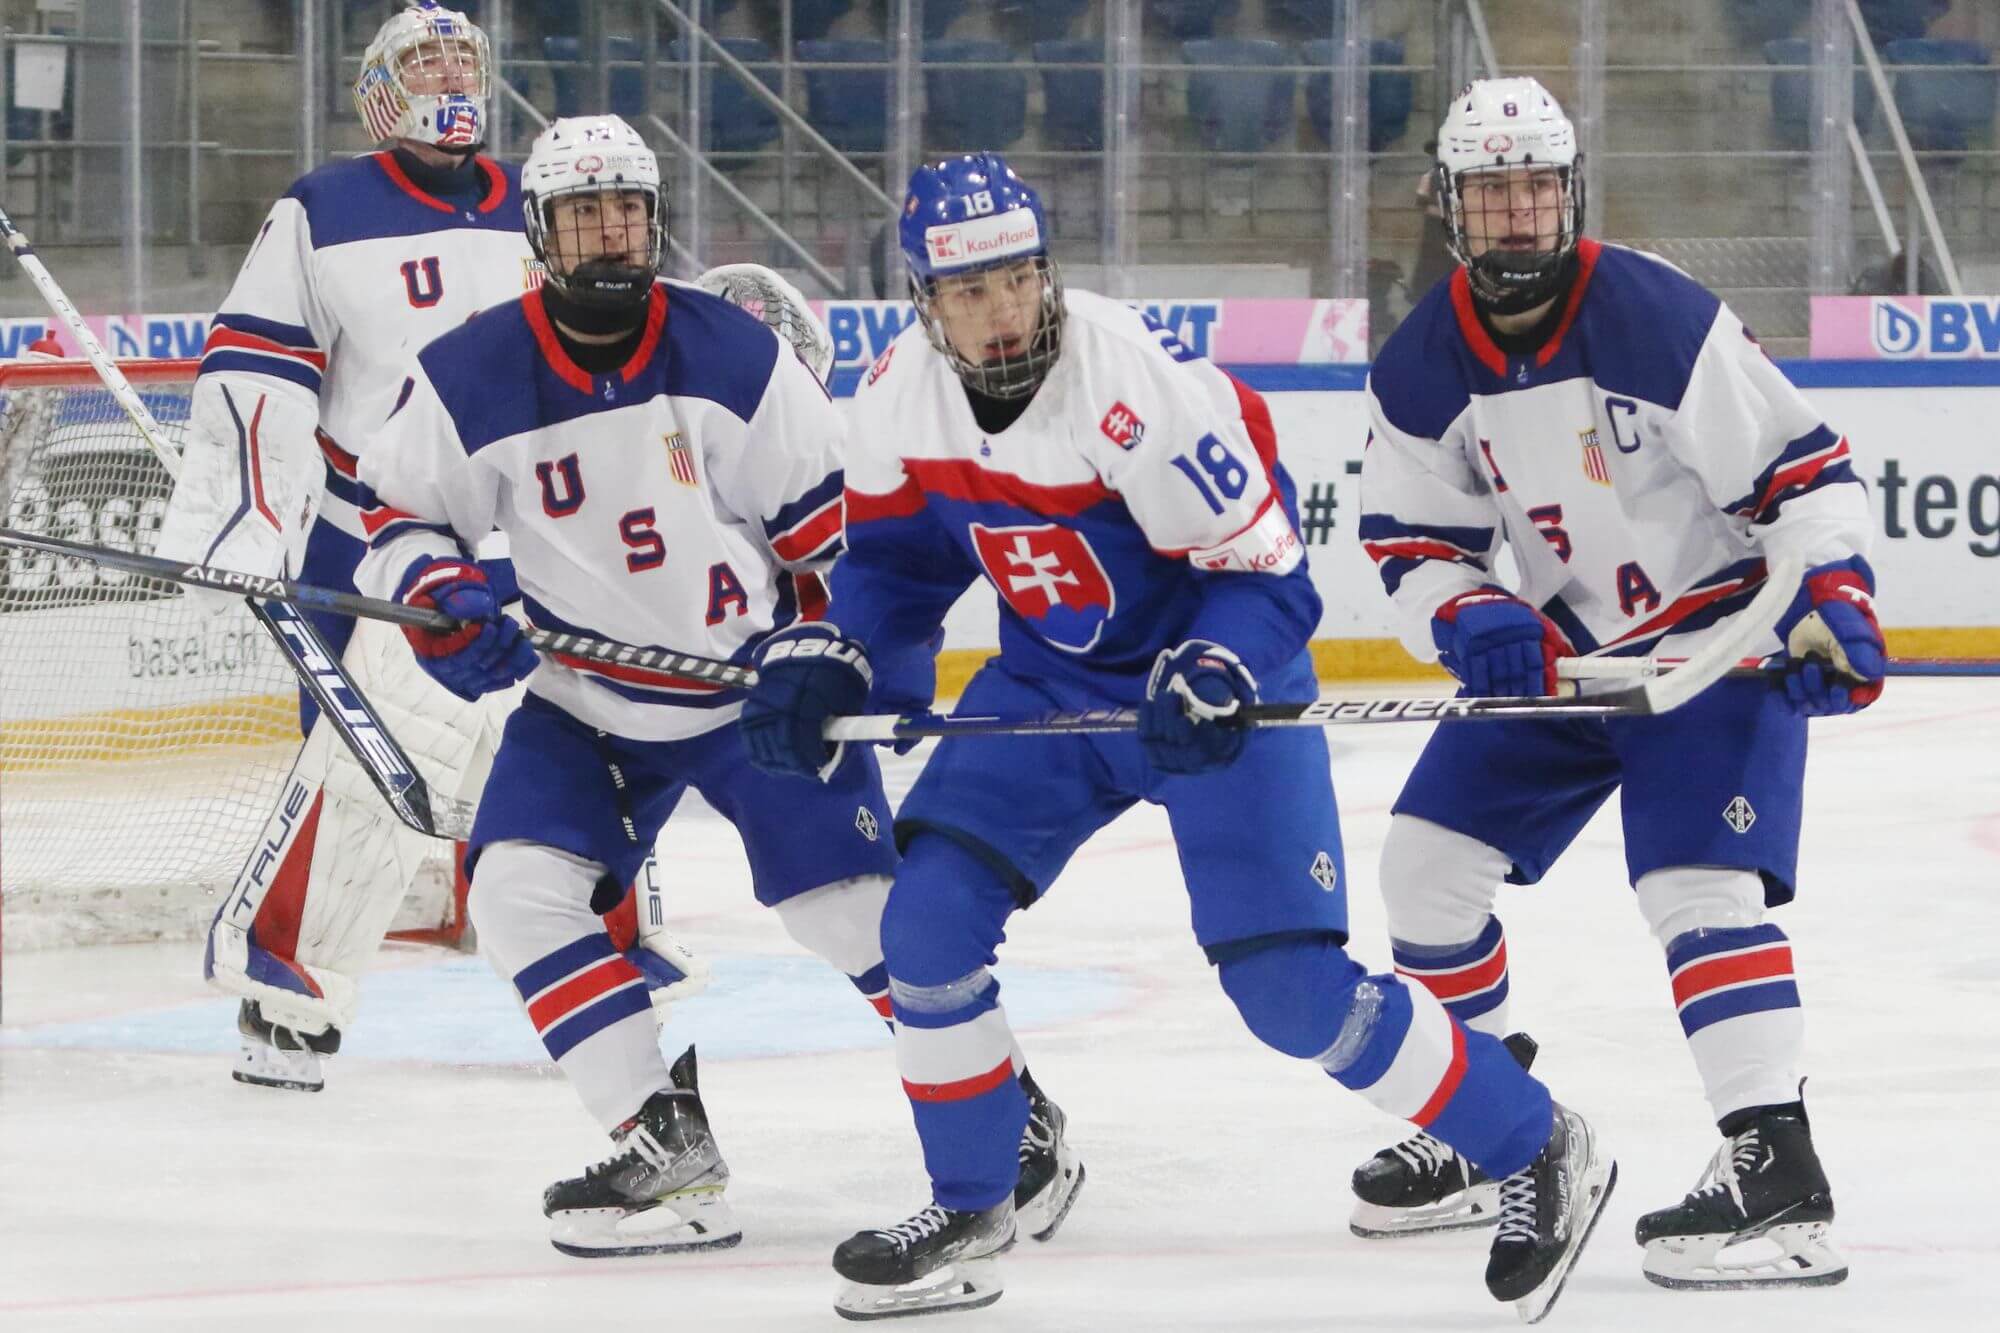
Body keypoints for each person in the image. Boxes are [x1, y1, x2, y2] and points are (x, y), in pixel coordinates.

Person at [738, 150, 1613, 1323]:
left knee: (1289, 993)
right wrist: (835, 651)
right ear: (923, 303)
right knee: (924, 922)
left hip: (1209, 687)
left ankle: (1535, 1140)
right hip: (1050, 688)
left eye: (1014, 281)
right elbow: (898, 565)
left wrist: (1213, 667)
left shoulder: (1134, 385)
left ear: (1044, 272)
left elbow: (1267, 582)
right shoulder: (899, 394)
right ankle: (973, 1201)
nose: (998, 314)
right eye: (966, 293)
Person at [351, 117, 1081, 1256]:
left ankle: (1010, 1111)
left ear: (656, 220)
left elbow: (849, 548)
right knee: (514, 892)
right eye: (584, 213)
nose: (610, 233)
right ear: (539, 234)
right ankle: (659, 1143)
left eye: (628, 210)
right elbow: (395, 516)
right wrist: (442, 597)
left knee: (844, 910)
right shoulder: (469, 371)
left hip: (757, 692)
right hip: (584, 698)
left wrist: (837, 658)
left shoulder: (737, 359)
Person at [1352, 77, 1877, 1292]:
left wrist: (1830, 595)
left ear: (1569, 190)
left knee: (1694, 884)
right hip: (1572, 653)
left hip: (1714, 637)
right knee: (1422, 866)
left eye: (1536, 186)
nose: (1519, 214)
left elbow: (1806, 474)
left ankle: (1775, 1170)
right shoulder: (1423, 359)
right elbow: (1408, 540)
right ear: (1451, 209)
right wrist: (1469, 609)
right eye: (1492, 194)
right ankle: (1484, 1125)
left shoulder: (1651, 313)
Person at [152, 2, 698, 1094]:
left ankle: (607, 953)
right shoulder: (323, 208)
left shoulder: (542, 201)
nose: (449, 73)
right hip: (387, 539)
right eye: (423, 58)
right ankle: (288, 993)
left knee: (601, 738)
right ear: (376, 85)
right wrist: (252, 511)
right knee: (372, 768)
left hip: (549, 532)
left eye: (463, 55)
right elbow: (259, 366)